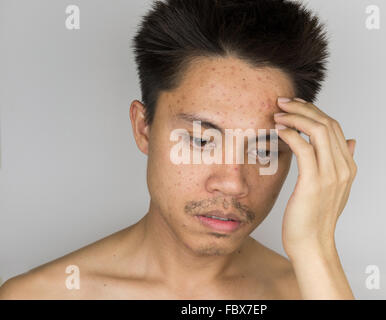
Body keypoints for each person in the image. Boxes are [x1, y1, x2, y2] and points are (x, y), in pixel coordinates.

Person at [0, 0, 357, 299]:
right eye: (202, 141)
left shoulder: (314, 290)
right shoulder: (41, 296)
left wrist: (316, 248)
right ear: (144, 128)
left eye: (265, 149)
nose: (233, 183)